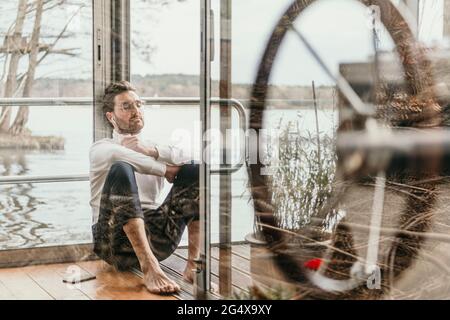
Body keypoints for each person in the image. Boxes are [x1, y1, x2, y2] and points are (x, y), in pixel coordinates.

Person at [89, 81, 200, 294]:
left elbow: (193, 156)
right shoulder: (101, 149)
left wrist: (152, 150)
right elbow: (117, 155)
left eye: (138, 104)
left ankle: (194, 265)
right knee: (121, 168)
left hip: (157, 239)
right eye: (126, 106)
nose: (136, 111)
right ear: (111, 116)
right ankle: (149, 267)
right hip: (112, 242)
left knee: (195, 170)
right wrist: (165, 170)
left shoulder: (152, 146)